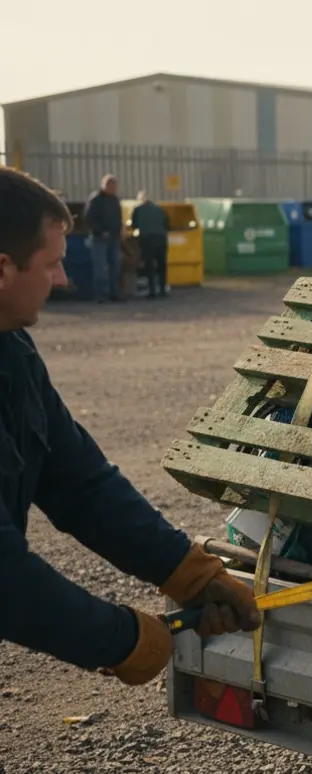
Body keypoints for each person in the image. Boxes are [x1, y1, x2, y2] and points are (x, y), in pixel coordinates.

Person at [0, 167, 260, 687]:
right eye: (52, 264)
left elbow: (78, 481)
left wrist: (187, 570)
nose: (64, 281)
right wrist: (121, 638)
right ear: (2, 269)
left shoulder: (12, 350)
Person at [84, 174, 123, 302]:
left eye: (115, 186)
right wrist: (100, 231)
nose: (113, 189)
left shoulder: (115, 200)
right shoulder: (95, 199)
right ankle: (99, 295)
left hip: (114, 238)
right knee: (100, 268)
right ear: (104, 186)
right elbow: (89, 219)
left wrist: (119, 230)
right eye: (111, 186)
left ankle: (114, 293)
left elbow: (118, 217)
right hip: (99, 238)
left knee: (115, 266)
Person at [131, 191, 170, 298]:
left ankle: (152, 290)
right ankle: (162, 289)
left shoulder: (137, 210)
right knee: (162, 266)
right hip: (161, 239)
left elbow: (134, 226)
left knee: (149, 266)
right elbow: (167, 224)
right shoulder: (160, 209)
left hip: (147, 240)